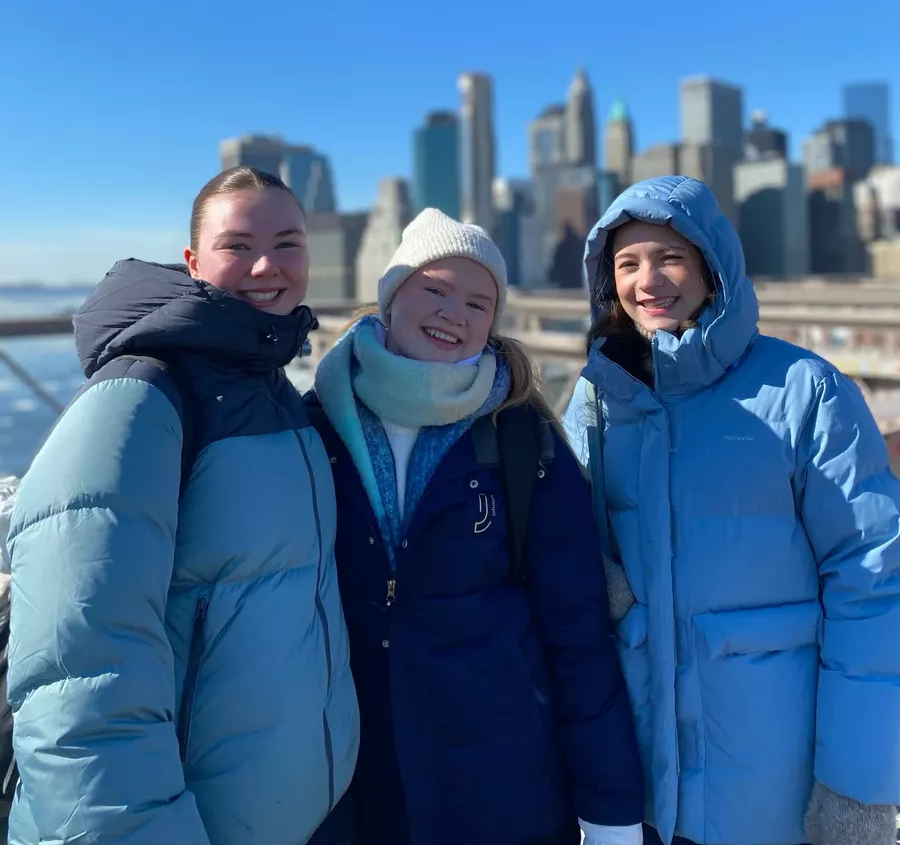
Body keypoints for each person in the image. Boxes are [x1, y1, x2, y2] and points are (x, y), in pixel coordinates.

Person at [6, 167, 359, 845]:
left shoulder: (278, 396)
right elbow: (79, 674)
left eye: (287, 244)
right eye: (238, 246)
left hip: (301, 816)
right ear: (194, 262)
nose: (267, 266)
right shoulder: (141, 397)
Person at [563, 175, 900, 845]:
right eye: (627, 264)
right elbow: (568, 542)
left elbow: (873, 583)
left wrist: (857, 788)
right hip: (642, 781)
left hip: (773, 782)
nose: (648, 281)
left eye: (670, 257)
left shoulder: (806, 391)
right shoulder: (599, 400)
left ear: (714, 267)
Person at [305, 208, 644, 845]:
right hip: (354, 787)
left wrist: (610, 812)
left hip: (503, 787)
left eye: (477, 303)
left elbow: (578, 637)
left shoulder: (519, 438)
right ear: (390, 295)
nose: (453, 314)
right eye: (434, 289)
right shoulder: (315, 427)